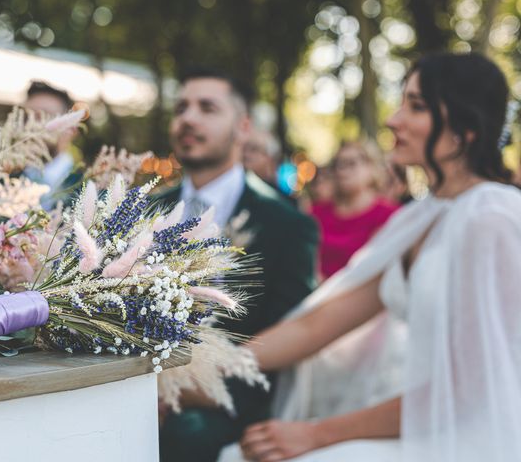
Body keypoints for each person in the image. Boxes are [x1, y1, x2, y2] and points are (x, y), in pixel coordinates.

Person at [217, 52, 521, 462]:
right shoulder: (421, 217)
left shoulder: (493, 217)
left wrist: (317, 434)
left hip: (467, 434)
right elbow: (317, 325)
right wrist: (206, 367)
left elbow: (469, 386)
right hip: (419, 417)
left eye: (415, 106)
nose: (393, 120)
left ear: (464, 129)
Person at [156, 68, 320, 462]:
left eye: (207, 108)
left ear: (243, 127)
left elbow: (286, 331)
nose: (188, 118)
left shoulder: (287, 225)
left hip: (230, 395)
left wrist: (185, 390)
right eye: (181, 108)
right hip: (136, 378)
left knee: (183, 436)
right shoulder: (144, 209)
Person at [311, 142, 399, 279]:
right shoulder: (317, 213)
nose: (342, 170)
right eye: (337, 164)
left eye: (351, 163)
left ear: (371, 166)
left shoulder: (389, 215)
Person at [23, 81, 79, 206]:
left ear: (71, 129)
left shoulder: (89, 191)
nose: (31, 127)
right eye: (26, 117)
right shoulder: (2, 183)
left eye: (43, 117)